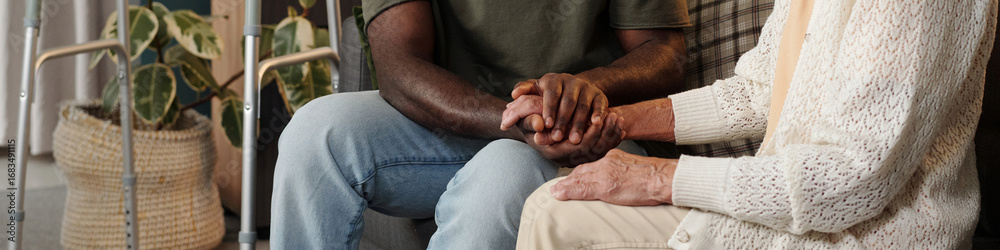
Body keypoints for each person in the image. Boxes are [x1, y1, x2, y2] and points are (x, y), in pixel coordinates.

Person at [508, 0, 999, 249]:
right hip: (805, 209)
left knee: (553, 214)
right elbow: (758, 90)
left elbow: (854, 179)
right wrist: (609, 119)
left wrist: (658, 179)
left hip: (871, 234)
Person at [269, 0, 697, 249]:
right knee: (314, 133)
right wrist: (514, 121)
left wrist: (581, 92)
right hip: (454, 126)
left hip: (591, 133)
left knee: (502, 170)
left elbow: (665, 52)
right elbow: (398, 64)